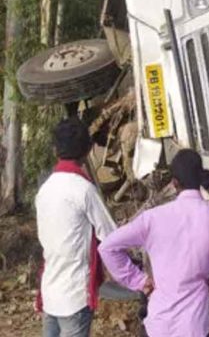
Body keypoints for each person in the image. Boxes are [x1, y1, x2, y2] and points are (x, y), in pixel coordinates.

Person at [98, 149, 209, 337]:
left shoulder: (152, 219)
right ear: (201, 178)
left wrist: (139, 281)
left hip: (158, 326)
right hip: (194, 327)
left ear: (175, 183)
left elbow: (107, 247)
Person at [35, 118, 117, 337]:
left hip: (50, 289)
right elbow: (110, 236)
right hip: (75, 294)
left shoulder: (45, 189)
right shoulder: (84, 190)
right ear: (88, 150)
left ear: (55, 150)